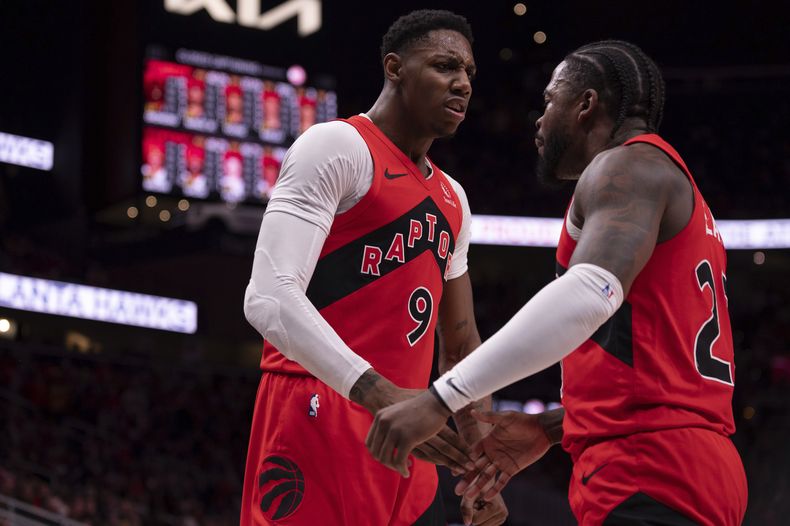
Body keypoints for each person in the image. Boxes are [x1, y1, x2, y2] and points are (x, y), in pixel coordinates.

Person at [366, 40, 748, 526]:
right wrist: (550, 429)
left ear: (586, 104)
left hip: (648, 471)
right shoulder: (668, 181)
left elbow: (589, 292)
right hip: (686, 462)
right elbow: (658, 379)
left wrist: (441, 397)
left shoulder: (625, 166)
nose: (539, 120)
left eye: (550, 101)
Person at [241, 9, 507, 526]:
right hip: (320, 408)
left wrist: (481, 461)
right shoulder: (336, 146)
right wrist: (385, 398)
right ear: (395, 67)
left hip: (412, 436)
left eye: (469, 73)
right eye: (444, 66)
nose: (462, 83)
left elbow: (460, 342)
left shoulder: (454, 198)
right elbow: (269, 296)